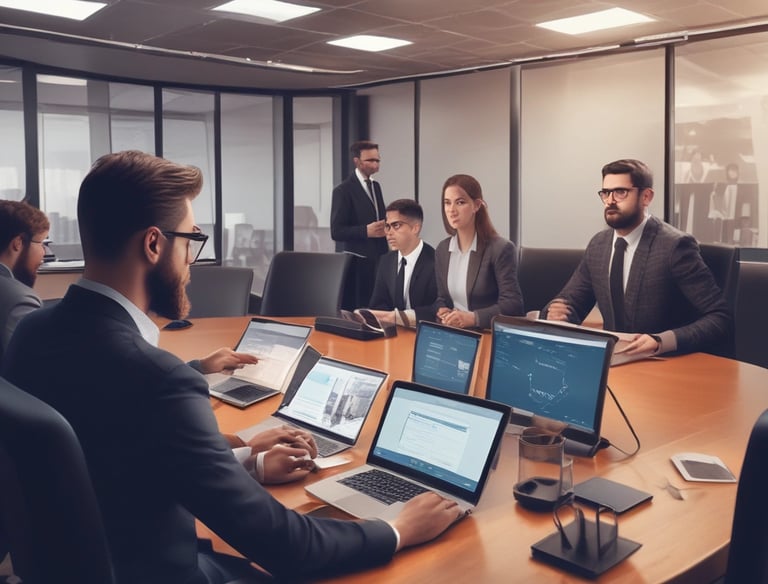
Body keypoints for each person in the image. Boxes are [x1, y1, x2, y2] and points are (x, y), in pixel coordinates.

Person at [3, 151, 461, 584]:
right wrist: (398, 528)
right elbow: (287, 546)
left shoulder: (32, 334)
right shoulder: (158, 379)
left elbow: (116, 457)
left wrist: (248, 460)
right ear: (153, 244)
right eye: (192, 241)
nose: (191, 263)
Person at [543, 158, 731, 356]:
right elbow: (570, 301)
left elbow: (720, 317)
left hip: (665, 363)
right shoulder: (598, 245)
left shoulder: (674, 246)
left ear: (646, 197)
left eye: (620, 192)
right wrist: (558, 312)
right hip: (616, 361)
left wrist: (661, 341)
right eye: (606, 193)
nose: (610, 201)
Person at [434, 174, 524, 329]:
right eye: (447, 203)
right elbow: (442, 297)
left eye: (460, 202)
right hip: (454, 333)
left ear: (476, 205)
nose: (452, 210)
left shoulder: (500, 249)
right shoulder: (442, 250)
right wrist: (441, 309)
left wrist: (473, 318)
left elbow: (513, 305)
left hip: (486, 332)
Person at [331, 140, 388, 309]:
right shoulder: (343, 191)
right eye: (371, 160)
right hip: (357, 264)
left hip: (379, 260)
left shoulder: (376, 186)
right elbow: (336, 231)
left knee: (377, 309)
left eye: (377, 160)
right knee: (358, 310)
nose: (376, 164)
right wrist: (365, 231)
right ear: (357, 161)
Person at [366, 199, 437, 327]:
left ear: (415, 228)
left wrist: (402, 318)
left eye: (396, 225)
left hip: (422, 332)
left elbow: (437, 310)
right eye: (387, 226)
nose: (389, 233)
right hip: (391, 334)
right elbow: (378, 304)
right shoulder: (385, 261)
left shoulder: (435, 262)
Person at [0, 200, 50, 360]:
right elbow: (32, 365)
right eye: (42, 243)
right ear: (18, 243)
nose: (45, 252)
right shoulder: (19, 300)